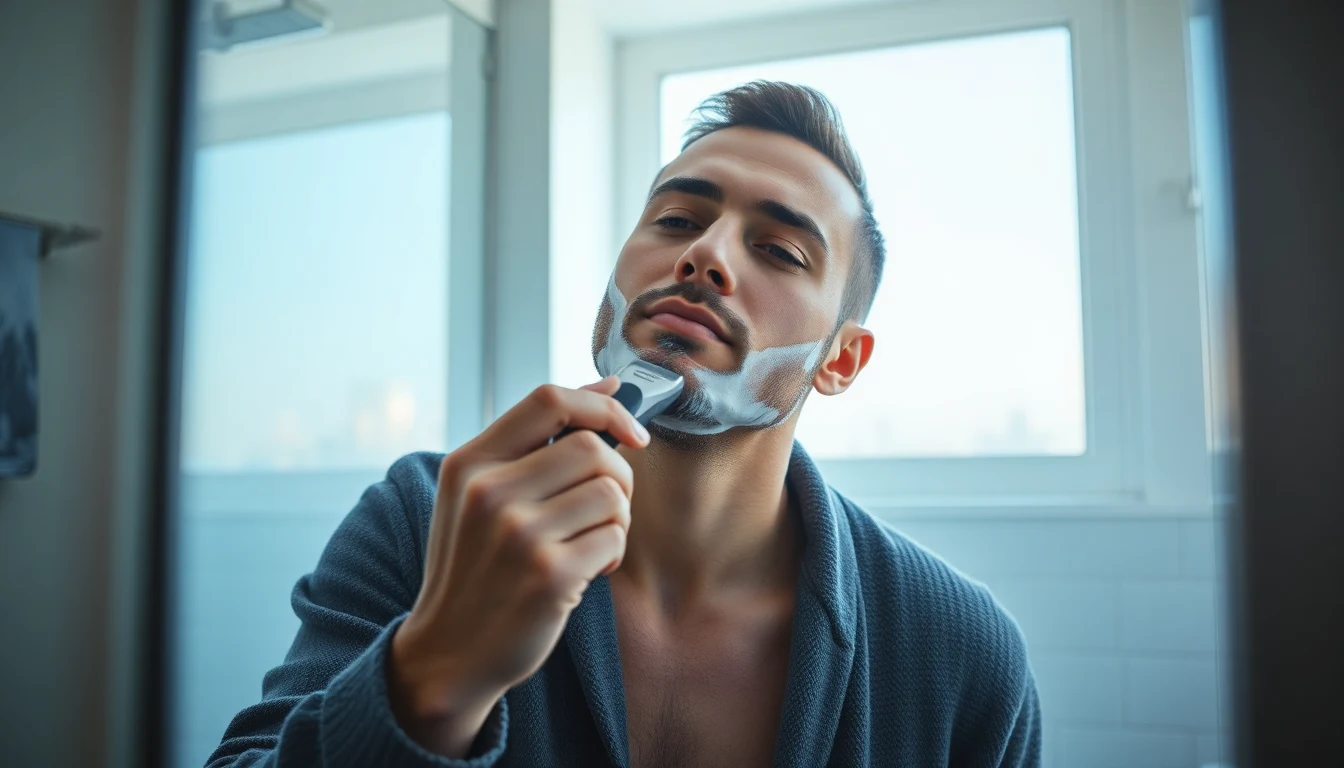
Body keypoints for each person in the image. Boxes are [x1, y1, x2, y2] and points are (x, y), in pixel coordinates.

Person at [207, 81, 1041, 768]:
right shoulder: (424, 522)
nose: (705, 255)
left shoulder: (962, 654)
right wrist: (432, 674)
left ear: (841, 361)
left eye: (780, 250)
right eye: (677, 220)